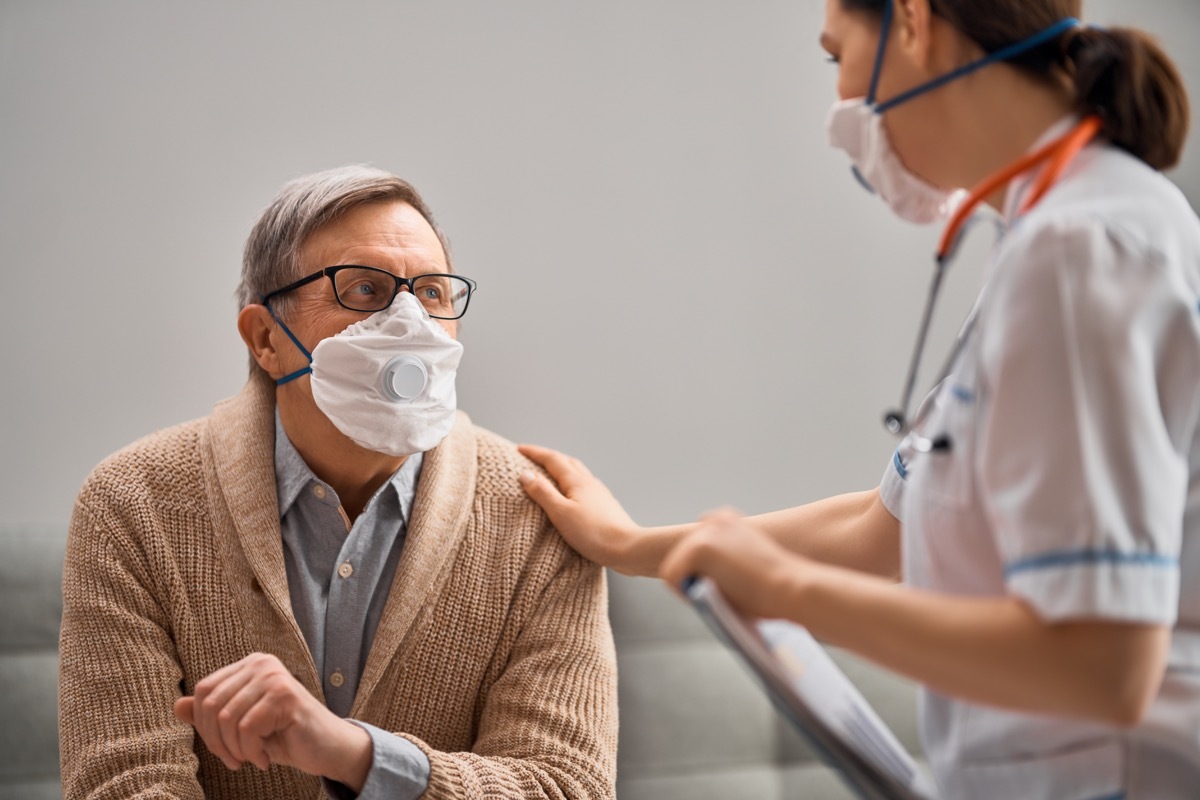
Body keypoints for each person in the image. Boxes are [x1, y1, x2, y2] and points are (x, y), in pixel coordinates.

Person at [518, 1, 1200, 797]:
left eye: (836, 56)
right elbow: (887, 530)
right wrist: (628, 545)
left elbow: (1100, 667)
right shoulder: (1054, 235)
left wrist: (783, 590)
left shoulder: (1082, 247)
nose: (842, 103)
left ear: (912, 22)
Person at [58, 165, 618, 800]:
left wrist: (355, 755)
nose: (410, 322)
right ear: (267, 338)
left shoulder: (542, 514)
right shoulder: (133, 506)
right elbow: (123, 788)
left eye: (432, 293)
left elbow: (566, 787)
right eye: (364, 290)